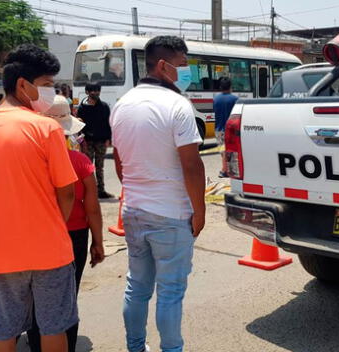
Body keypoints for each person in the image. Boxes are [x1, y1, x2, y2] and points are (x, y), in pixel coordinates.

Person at [0, 44, 79, 352]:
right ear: (23, 85)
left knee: (3, 329)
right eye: (45, 85)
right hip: (48, 249)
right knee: (53, 327)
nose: (50, 93)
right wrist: (54, 226)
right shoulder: (46, 128)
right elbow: (67, 190)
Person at [110, 35, 206, 352]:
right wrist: (200, 211)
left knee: (136, 287)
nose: (186, 71)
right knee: (170, 292)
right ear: (163, 65)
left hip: (134, 211)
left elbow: (121, 166)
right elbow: (192, 166)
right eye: (182, 64)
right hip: (171, 214)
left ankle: (135, 348)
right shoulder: (178, 105)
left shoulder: (122, 104)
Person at [26, 95, 106, 352]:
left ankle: (38, 343)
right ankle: (66, 345)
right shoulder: (81, 162)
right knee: (67, 296)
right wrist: (99, 242)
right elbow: (92, 208)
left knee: (36, 294)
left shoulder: (29, 160)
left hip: (36, 235)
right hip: (75, 236)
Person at [77, 83, 114, 199]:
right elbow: (79, 125)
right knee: (87, 167)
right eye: (92, 90)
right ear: (87, 92)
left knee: (99, 166)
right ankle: (88, 190)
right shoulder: (82, 108)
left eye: (97, 90)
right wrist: (82, 141)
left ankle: (101, 190)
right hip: (87, 142)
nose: (95, 92)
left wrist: (108, 139)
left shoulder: (104, 107)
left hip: (101, 141)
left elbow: (108, 124)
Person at [212, 77, 238, 178]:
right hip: (230, 129)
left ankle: (226, 170)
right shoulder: (235, 99)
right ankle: (226, 171)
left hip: (218, 129)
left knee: (223, 151)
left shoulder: (216, 99)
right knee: (231, 150)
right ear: (230, 87)